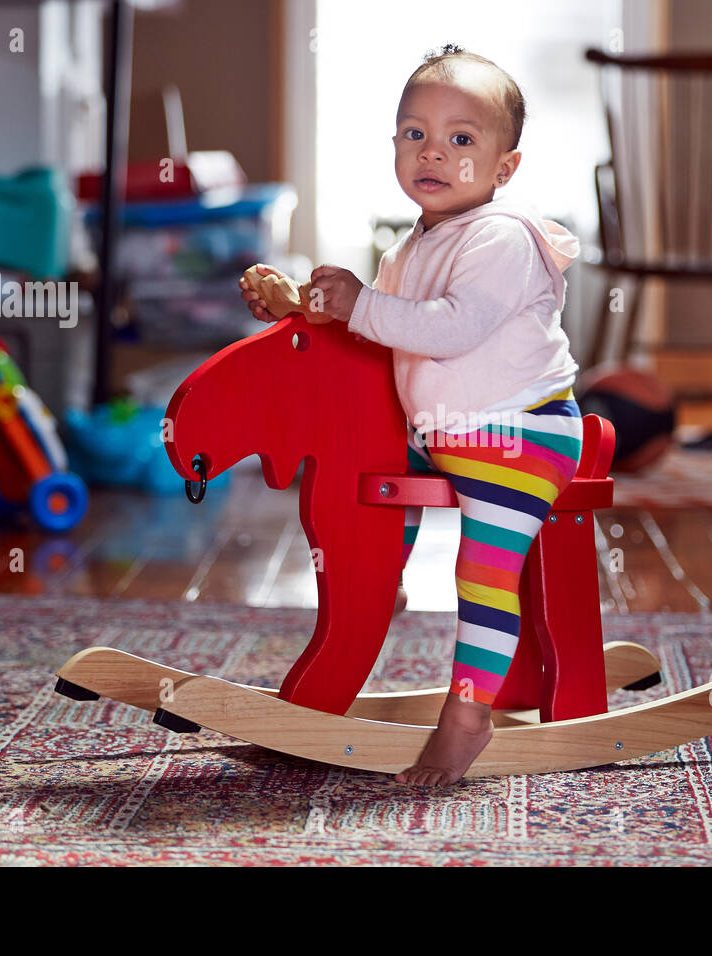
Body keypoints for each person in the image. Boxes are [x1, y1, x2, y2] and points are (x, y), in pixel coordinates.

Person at [238, 44, 584, 787]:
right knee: (356, 478)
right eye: (414, 133)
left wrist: (362, 302)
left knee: (481, 570)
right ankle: (376, 578)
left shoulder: (501, 238)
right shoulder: (414, 243)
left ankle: (468, 717)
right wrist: (304, 306)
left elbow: (450, 327)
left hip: (518, 430)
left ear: (504, 168)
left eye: (462, 139)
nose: (434, 151)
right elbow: (380, 327)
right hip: (443, 434)